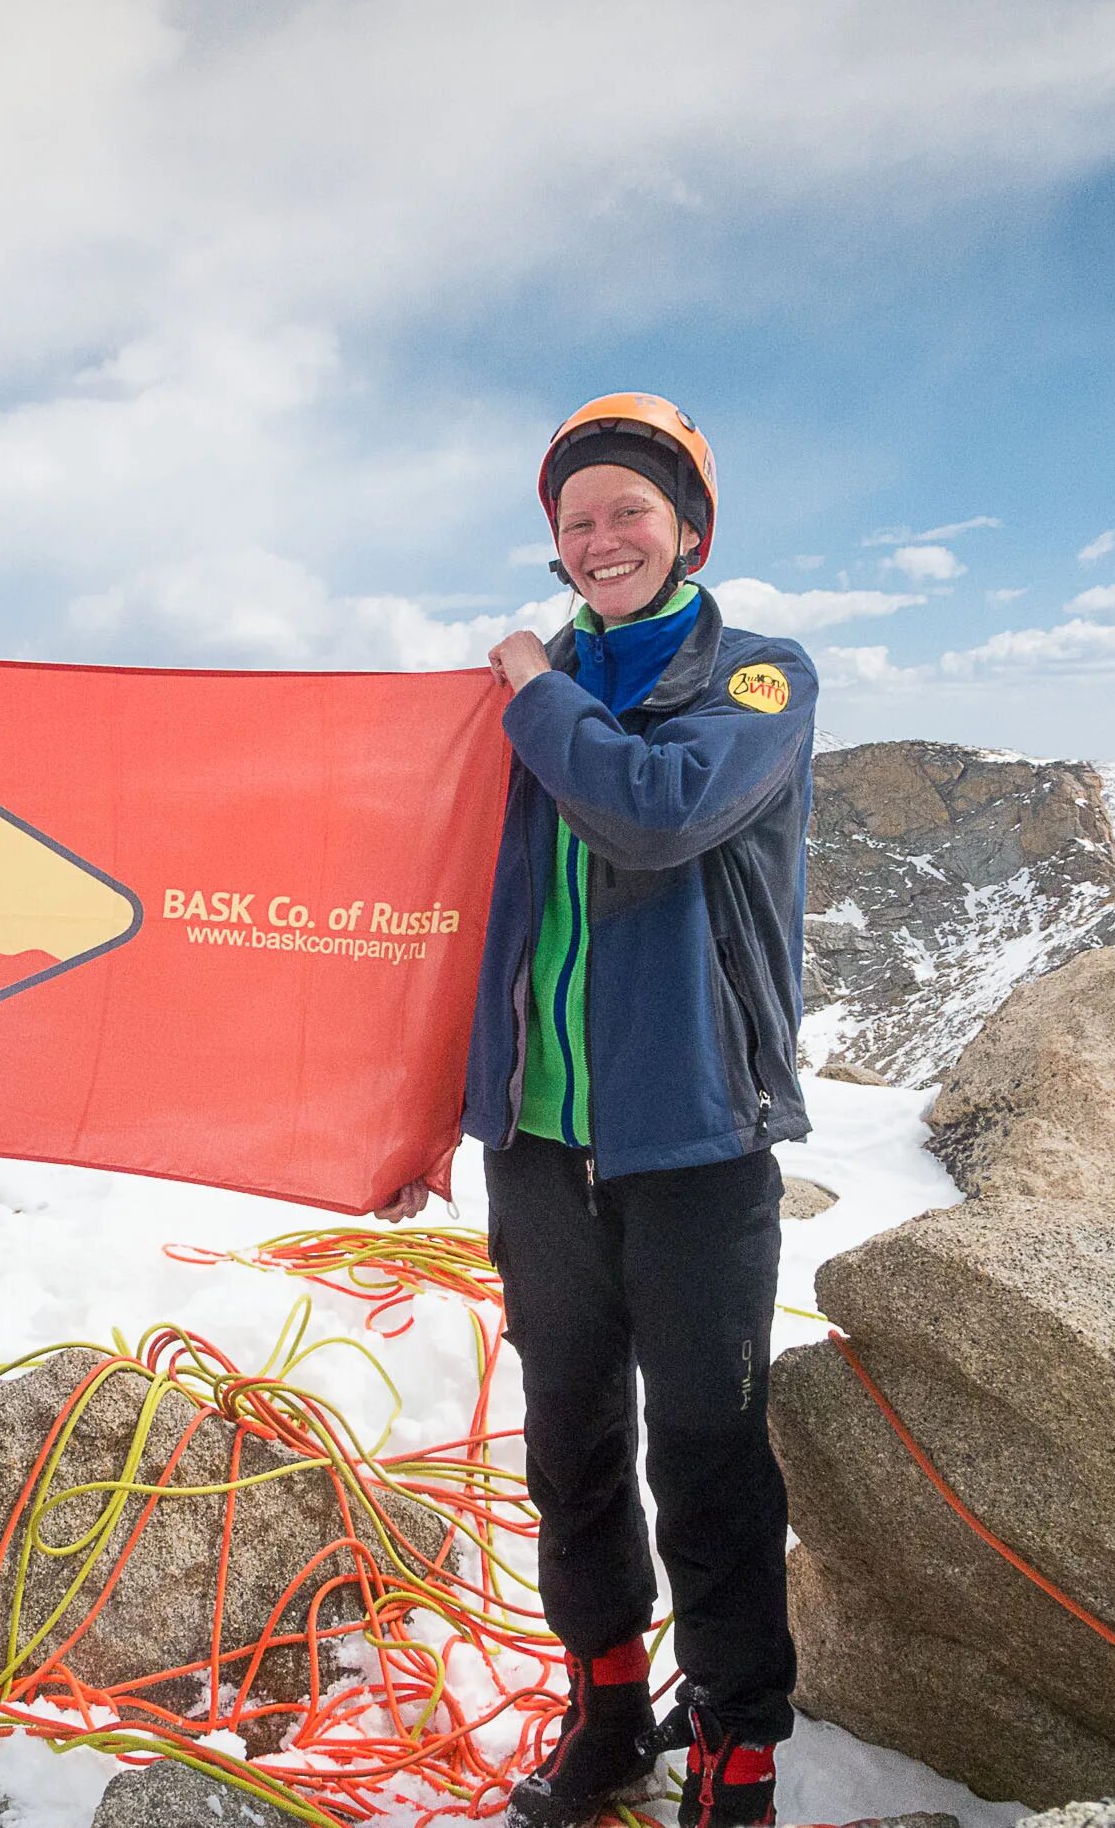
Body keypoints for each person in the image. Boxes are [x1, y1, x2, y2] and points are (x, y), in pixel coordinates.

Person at [382, 394, 816, 1828]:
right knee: (569, 1443)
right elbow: (454, 918)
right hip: (542, 1151)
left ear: (689, 528)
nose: (601, 538)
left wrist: (531, 695)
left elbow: (654, 812)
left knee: (705, 1457)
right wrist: (425, 1114)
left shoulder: (757, 680)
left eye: (629, 510)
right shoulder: (528, 700)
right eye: (576, 522)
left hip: (696, 1145)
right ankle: (612, 1703)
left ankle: (738, 1745)